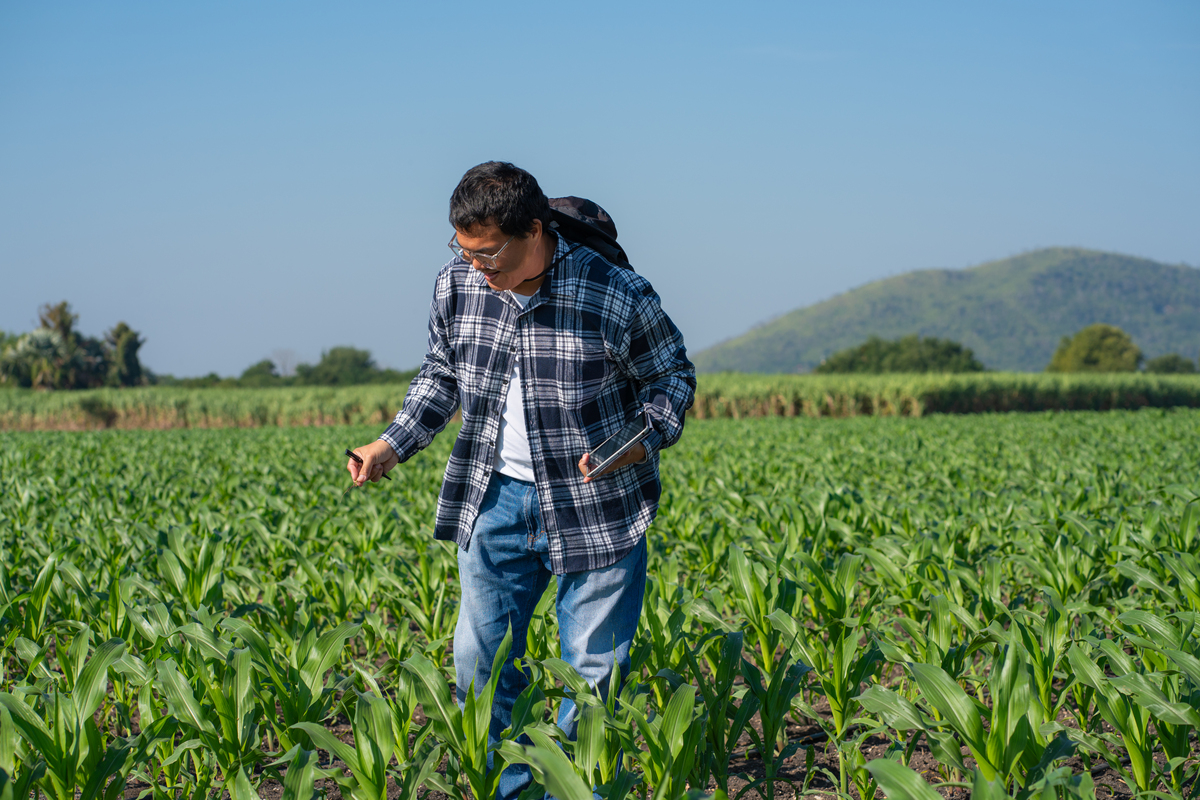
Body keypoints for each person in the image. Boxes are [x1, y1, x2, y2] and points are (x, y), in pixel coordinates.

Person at [348, 161, 695, 800]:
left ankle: (578, 790)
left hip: (597, 504)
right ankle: (505, 793)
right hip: (495, 499)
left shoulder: (615, 293)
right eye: (465, 250)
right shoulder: (458, 283)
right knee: (479, 669)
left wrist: (636, 442)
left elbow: (672, 378)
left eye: (490, 254)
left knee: (592, 677)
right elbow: (442, 375)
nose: (477, 267)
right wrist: (390, 444)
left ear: (535, 230)